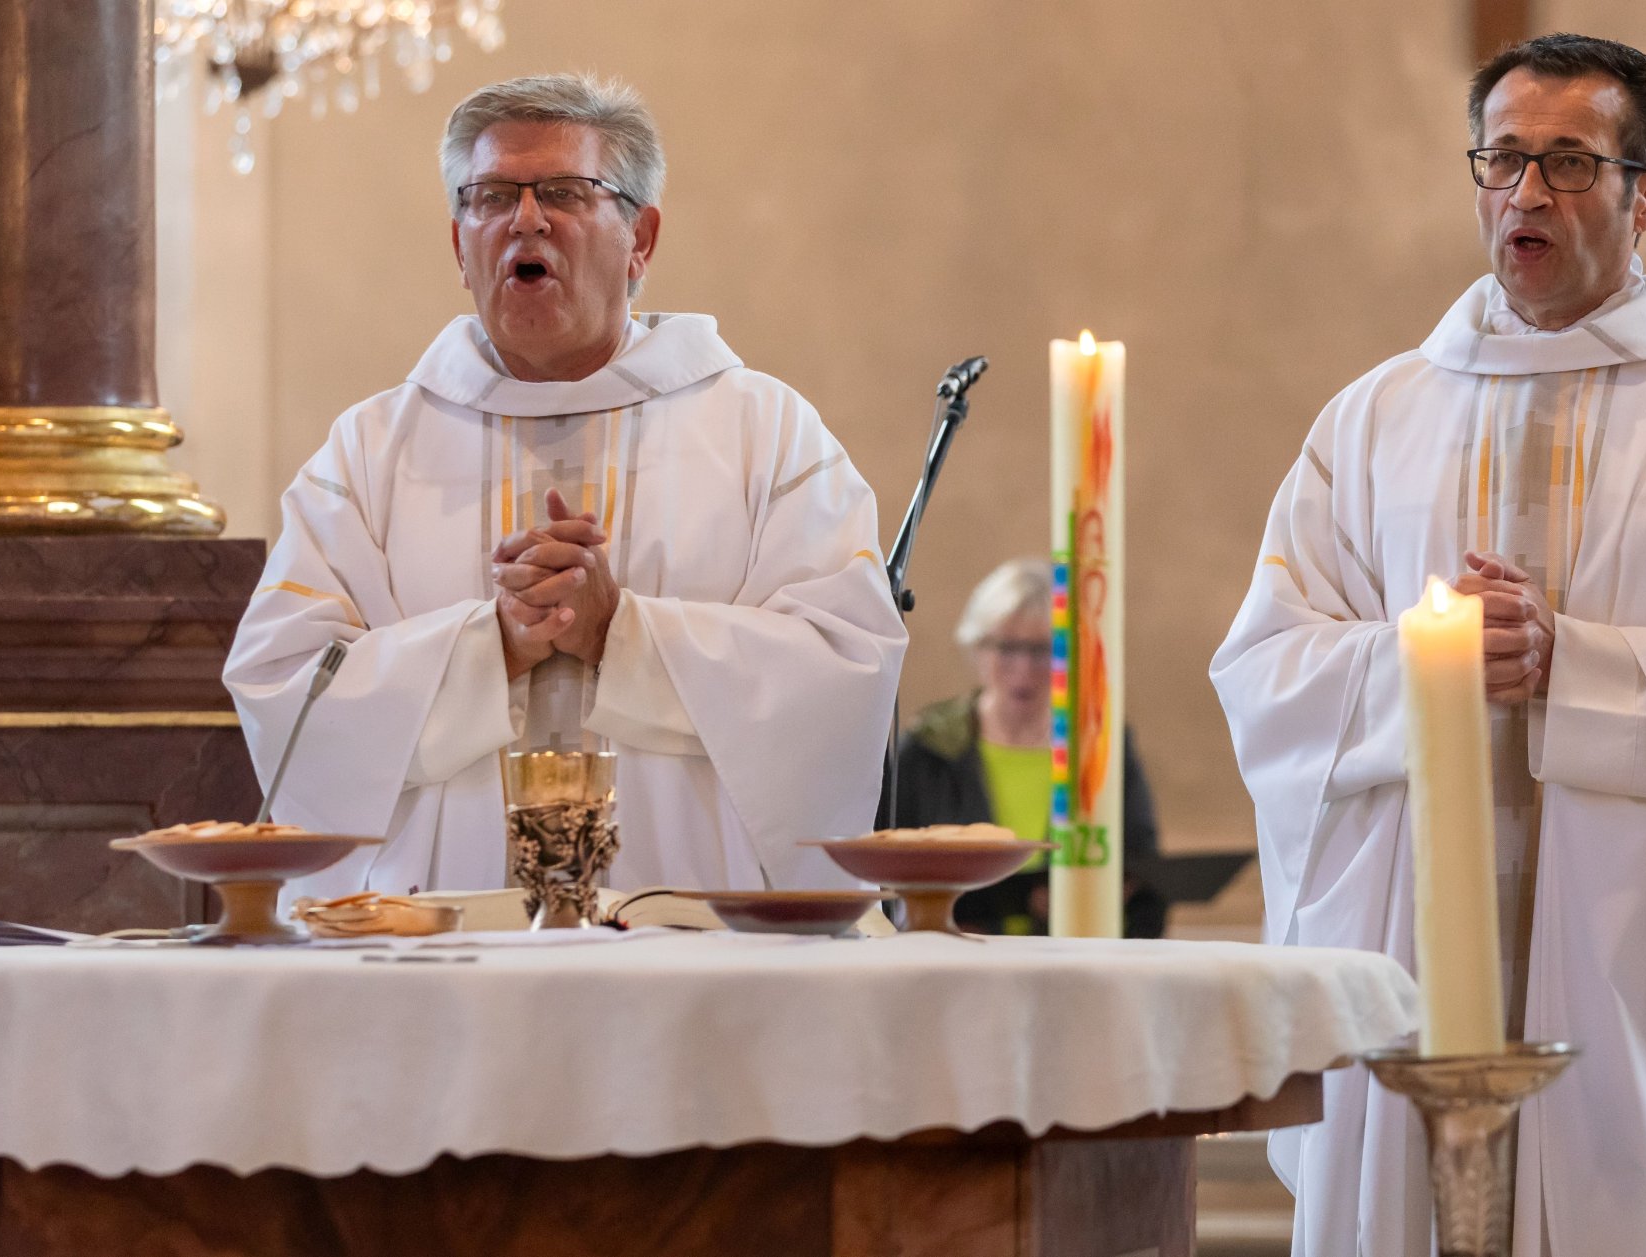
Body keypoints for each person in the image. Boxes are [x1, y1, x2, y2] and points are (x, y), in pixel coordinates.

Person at [1212, 34, 1646, 1257]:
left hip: (1644, 952)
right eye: (1502, 160)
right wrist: (1423, 667)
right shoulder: (1378, 416)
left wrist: (1581, 668)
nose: (1525, 195)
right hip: (1407, 948)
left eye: (1568, 164)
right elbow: (1263, 670)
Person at [224, 73, 905, 899]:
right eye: (490, 196)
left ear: (641, 239)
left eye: (565, 192)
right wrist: (493, 645)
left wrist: (623, 631)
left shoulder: (765, 433)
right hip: (433, 944)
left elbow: (846, 671)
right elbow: (284, 688)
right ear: (457, 243)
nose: (525, 218)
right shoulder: (369, 451)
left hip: (686, 941)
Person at [892, 557, 1167, 937]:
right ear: (977, 649)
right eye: (1006, 647)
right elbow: (886, 876)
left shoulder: (1101, 749)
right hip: (954, 964)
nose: (1024, 668)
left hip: (1074, 964)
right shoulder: (928, 750)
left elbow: (1143, 869)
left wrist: (1096, 893)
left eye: (1044, 651)